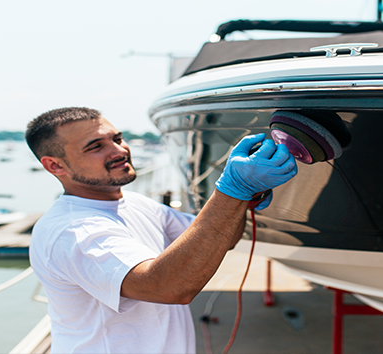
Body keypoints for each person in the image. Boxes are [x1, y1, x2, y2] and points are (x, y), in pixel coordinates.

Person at [26, 107, 297, 354]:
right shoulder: (74, 231)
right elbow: (168, 287)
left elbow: (220, 239)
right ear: (55, 165)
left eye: (117, 138)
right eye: (96, 146)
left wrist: (243, 198)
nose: (119, 150)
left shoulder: (135, 203)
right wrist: (230, 191)